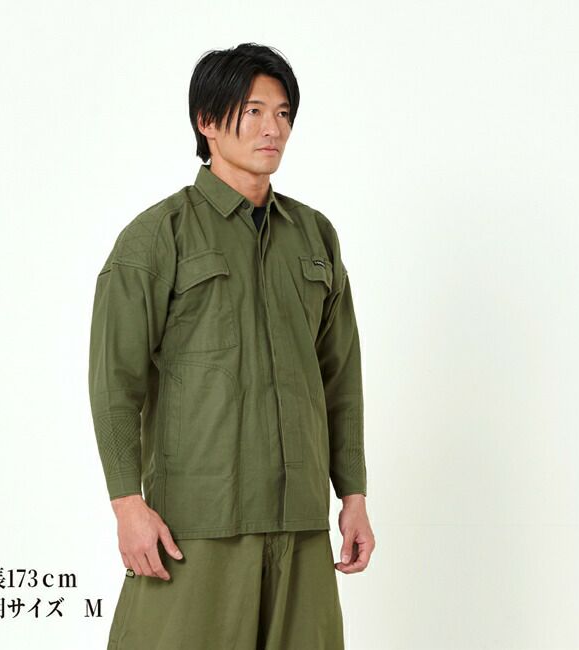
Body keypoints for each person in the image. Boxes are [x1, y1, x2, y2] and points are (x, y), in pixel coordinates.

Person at [88, 41, 376, 650]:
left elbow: (340, 378)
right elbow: (115, 382)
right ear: (208, 122)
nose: (274, 128)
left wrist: (352, 494)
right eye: (253, 112)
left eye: (284, 113)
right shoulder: (157, 237)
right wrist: (127, 506)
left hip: (300, 523)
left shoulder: (315, 236)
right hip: (198, 522)